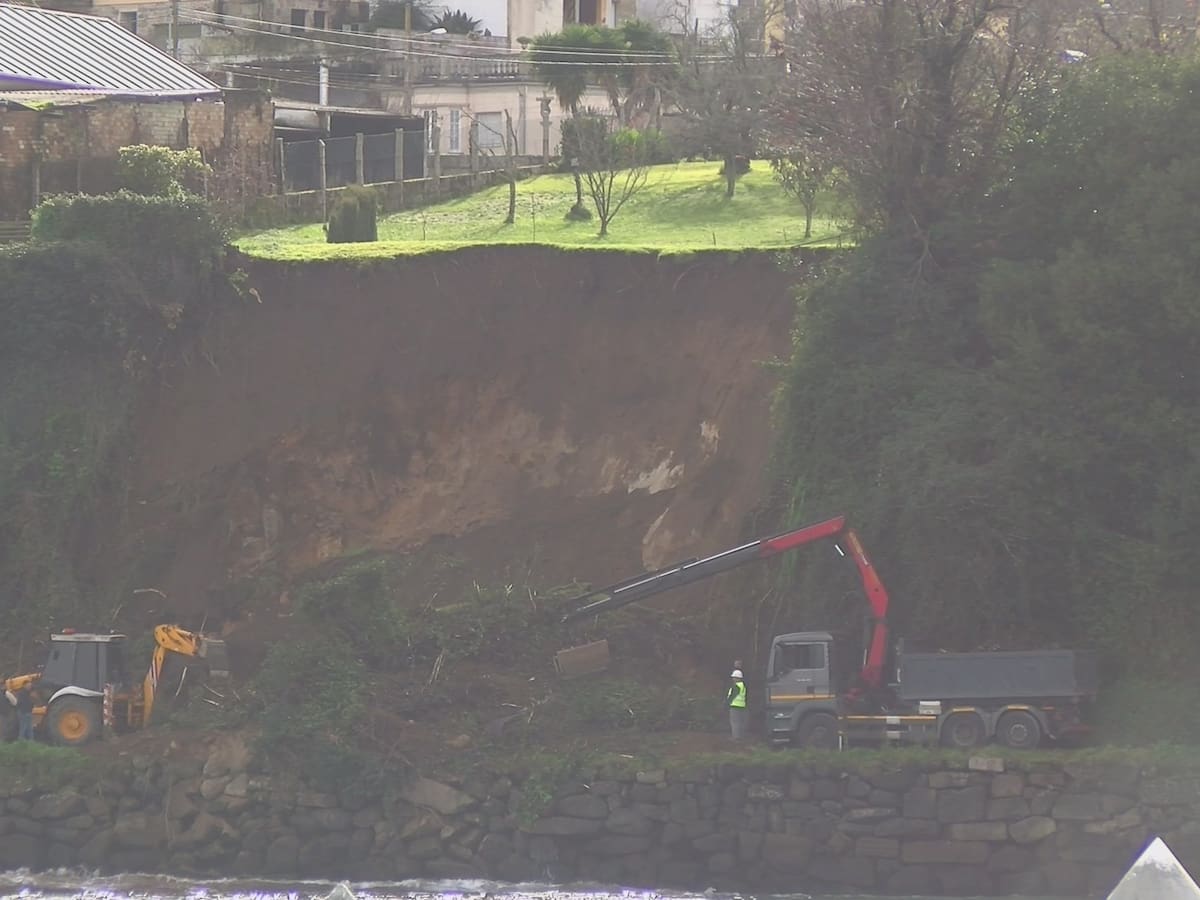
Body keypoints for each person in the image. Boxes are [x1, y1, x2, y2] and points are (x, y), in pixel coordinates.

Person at [727, 668, 748, 741]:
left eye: (734, 677)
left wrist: (727, 704)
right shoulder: (743, 686)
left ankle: (735, 737)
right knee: (740, 722)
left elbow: (732, 696)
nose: (733, 679)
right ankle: (740, 736)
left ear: (737, 678)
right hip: (742, 706)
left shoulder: (736, 686)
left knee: (734, 722)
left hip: (735, 706)